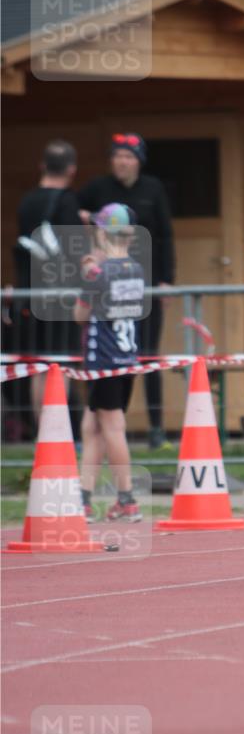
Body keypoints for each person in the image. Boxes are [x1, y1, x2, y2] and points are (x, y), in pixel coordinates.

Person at [78, 133, 175, 449]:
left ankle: (156, 428)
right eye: (117, 155)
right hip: (106, 285)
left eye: (128, 156)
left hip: (142, 285)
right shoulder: (97, 188)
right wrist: (88, 229)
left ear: (139, 160)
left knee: (147, 354)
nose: (122, 161)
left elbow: (166, 235)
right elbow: (73, 212)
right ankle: (106, 420)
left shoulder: (153, 188)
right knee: (108, 354)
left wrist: (166, 281)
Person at [74, 204, 143, 522]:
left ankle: (127, 498)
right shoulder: (135, 269)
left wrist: (88, 274)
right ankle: (84, 499)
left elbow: (80, 315)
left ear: (103, 234)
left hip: (103, 360)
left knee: (112, 428)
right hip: (126, 359)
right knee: (93, 427)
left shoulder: (97, 274)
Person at [11, 139, 82, 434]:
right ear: (71, 170)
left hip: (29, 293)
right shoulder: (68, 203)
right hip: (60, 296)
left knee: (38, 366)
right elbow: (74, 253)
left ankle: (43, 434)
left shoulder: (26, 202)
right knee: (60, 364)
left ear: (42, 166)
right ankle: (57, 435)